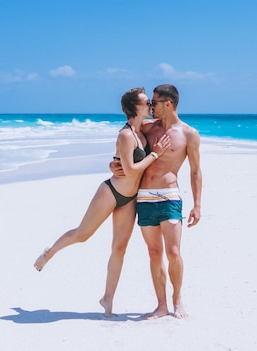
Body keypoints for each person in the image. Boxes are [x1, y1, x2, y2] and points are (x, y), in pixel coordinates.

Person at [33, 87, 171, 318]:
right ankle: (50, 252)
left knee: (119, 248)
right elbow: (130, 170)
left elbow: (124, 162)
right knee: (82, 234)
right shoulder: (125, 134)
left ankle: (107, 299)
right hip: (111, 192)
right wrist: (155, 154)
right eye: (146, 101)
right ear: (134, 107)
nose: (149, 104)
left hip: (129, 200)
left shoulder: (143, 133)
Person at [110, 84, 202, 319]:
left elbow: (195, 171)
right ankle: (161, 306)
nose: (150, 106)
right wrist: (113, 163)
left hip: (170, 196)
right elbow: (125, 144)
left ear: (168, 103)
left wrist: (197, 205)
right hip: (144, 197)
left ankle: (177, 299)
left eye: (154, 102)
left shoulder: (188, 133)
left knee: (173, 252)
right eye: (149, 102)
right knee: (154, 252)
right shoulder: (147, 127)